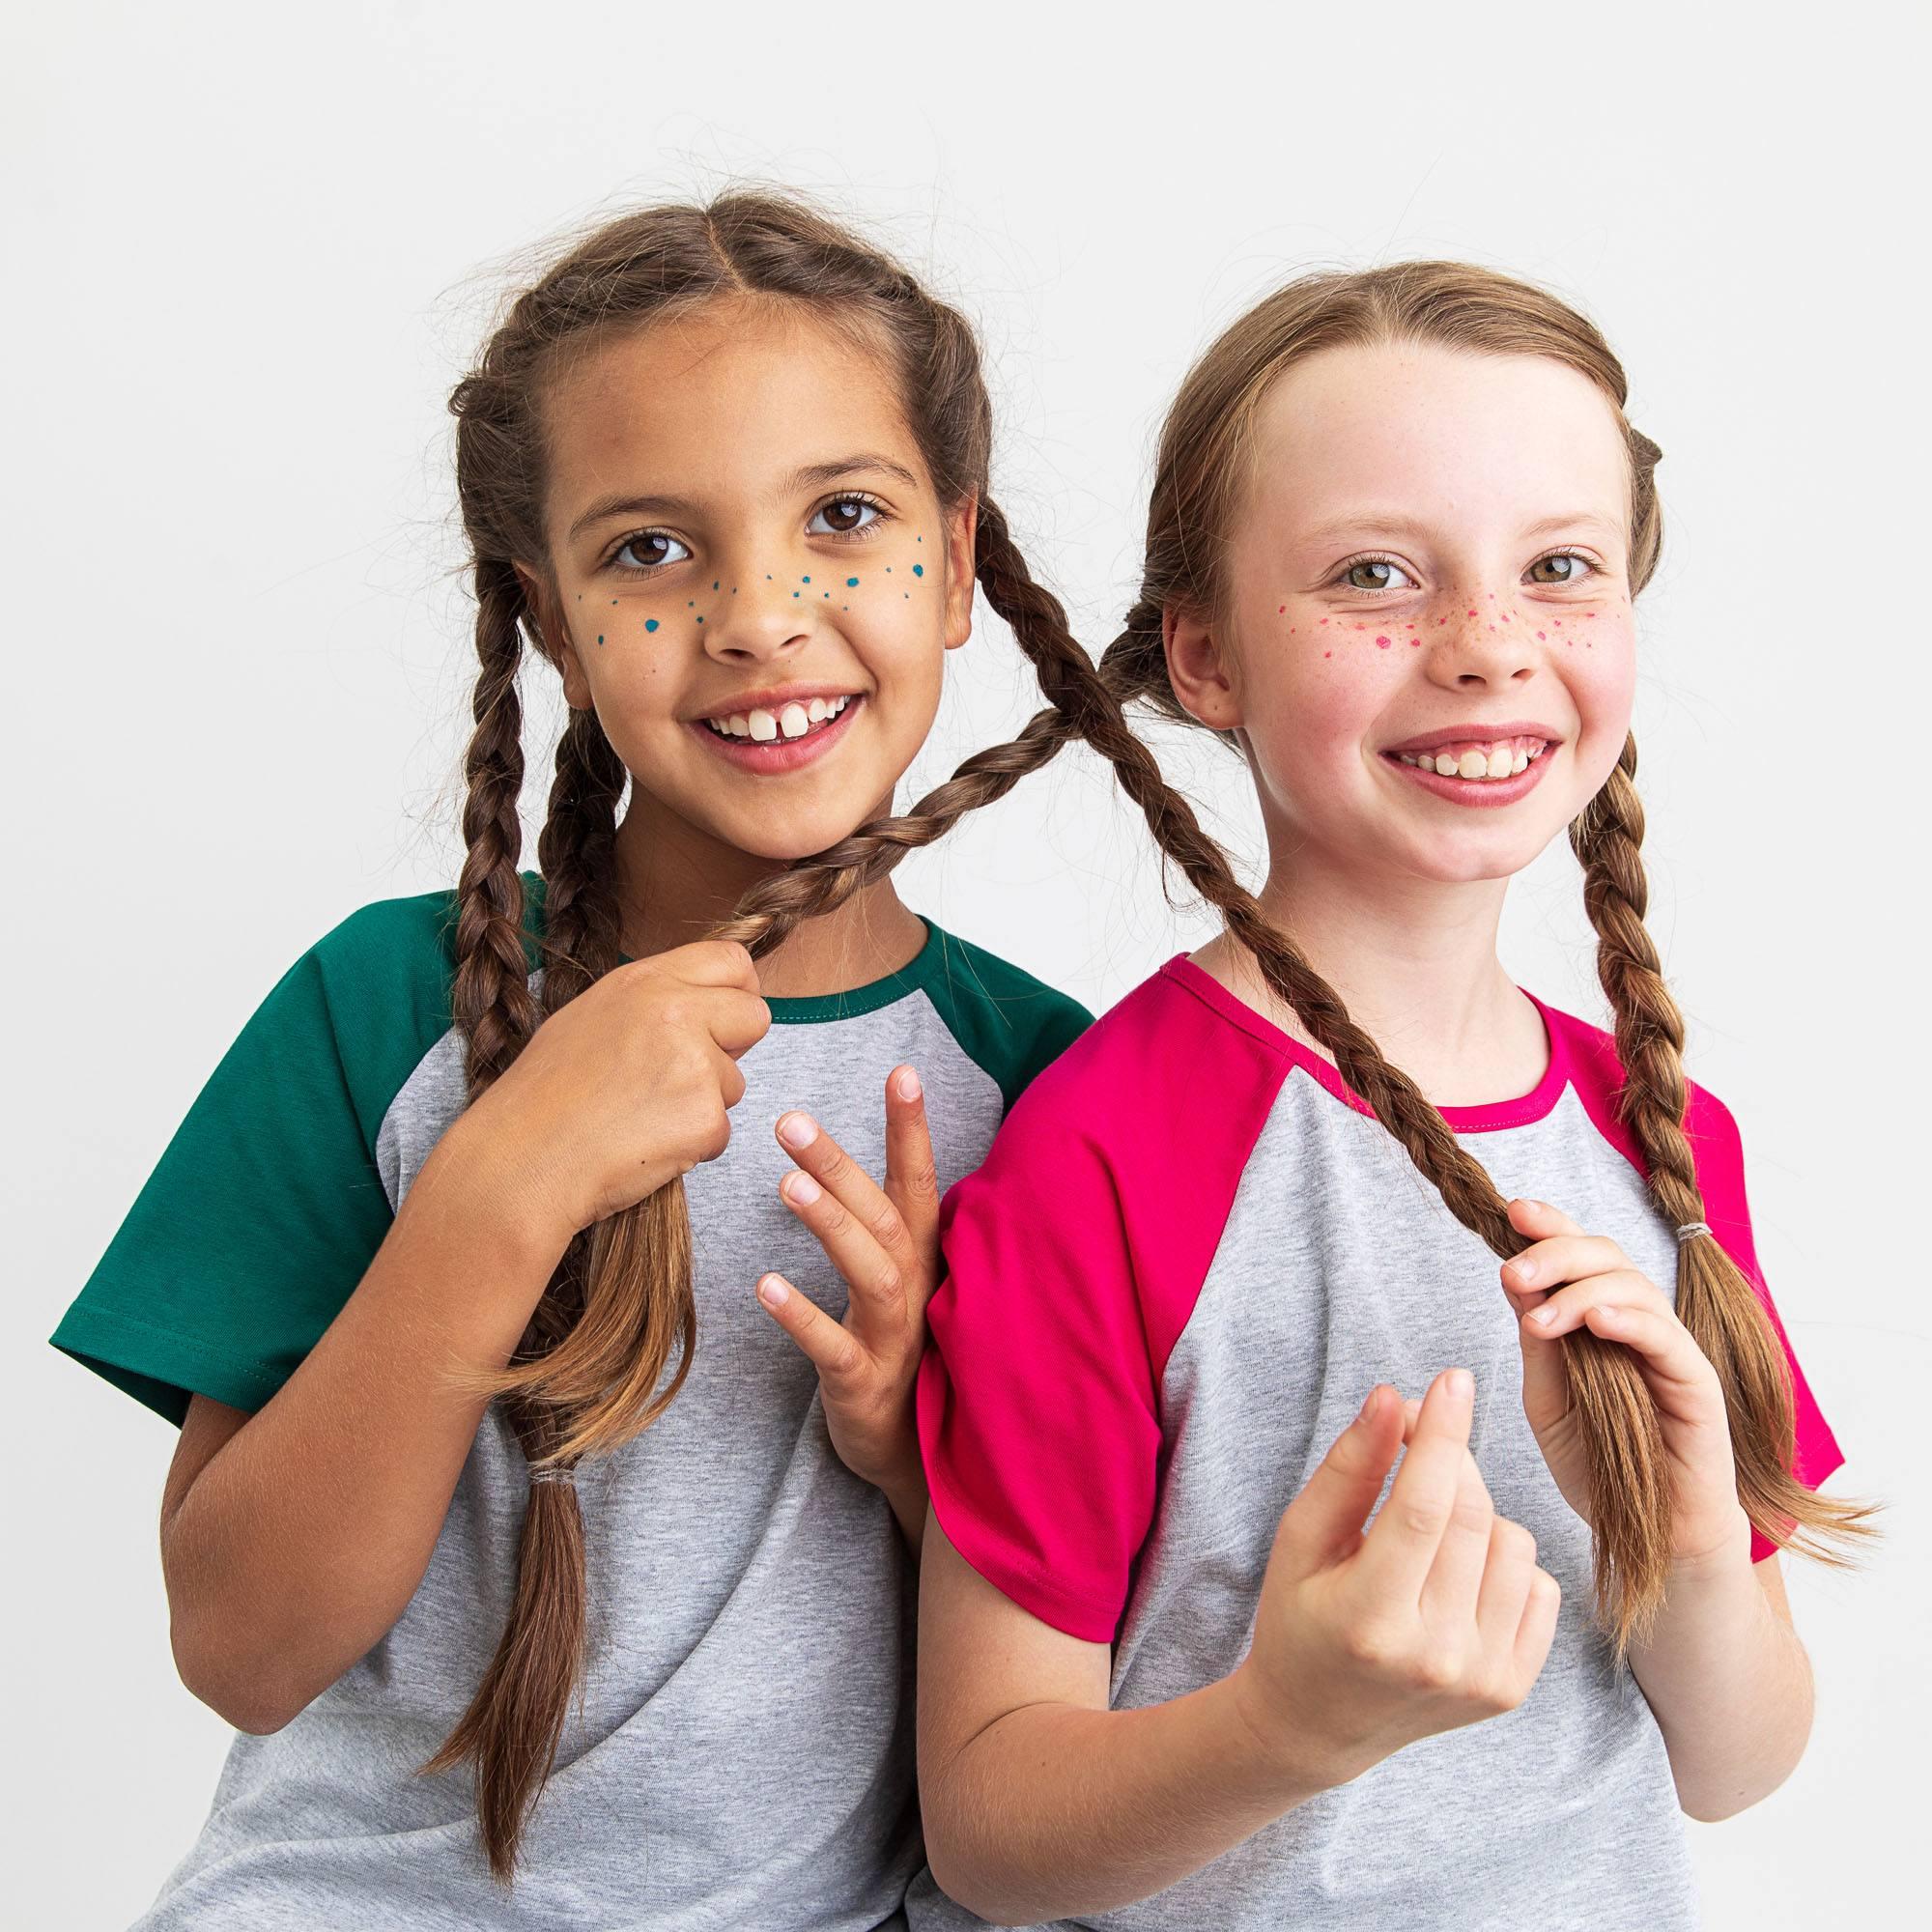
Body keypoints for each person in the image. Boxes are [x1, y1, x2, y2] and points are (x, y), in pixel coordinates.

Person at [49, 191, 1093, 1929]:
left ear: (961, 559)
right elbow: (239, 1648)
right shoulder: (387, 1011)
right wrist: (501, 1185)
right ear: (545, 617)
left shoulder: (1048, 1087)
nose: (761, 615)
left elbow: (1057, 1714)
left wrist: (920, 1463)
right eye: (650, 550)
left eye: (844, 516)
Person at [908, 262, 1872, 1929]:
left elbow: (1733, 1765)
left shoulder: (1664, 1141)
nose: (1489, 648)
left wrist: (1700, 1538)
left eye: (1557, 568)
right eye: (1376, 576)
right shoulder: (1109, 1149)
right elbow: (986, 1825)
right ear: (1203, 657)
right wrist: (1288, 1728)